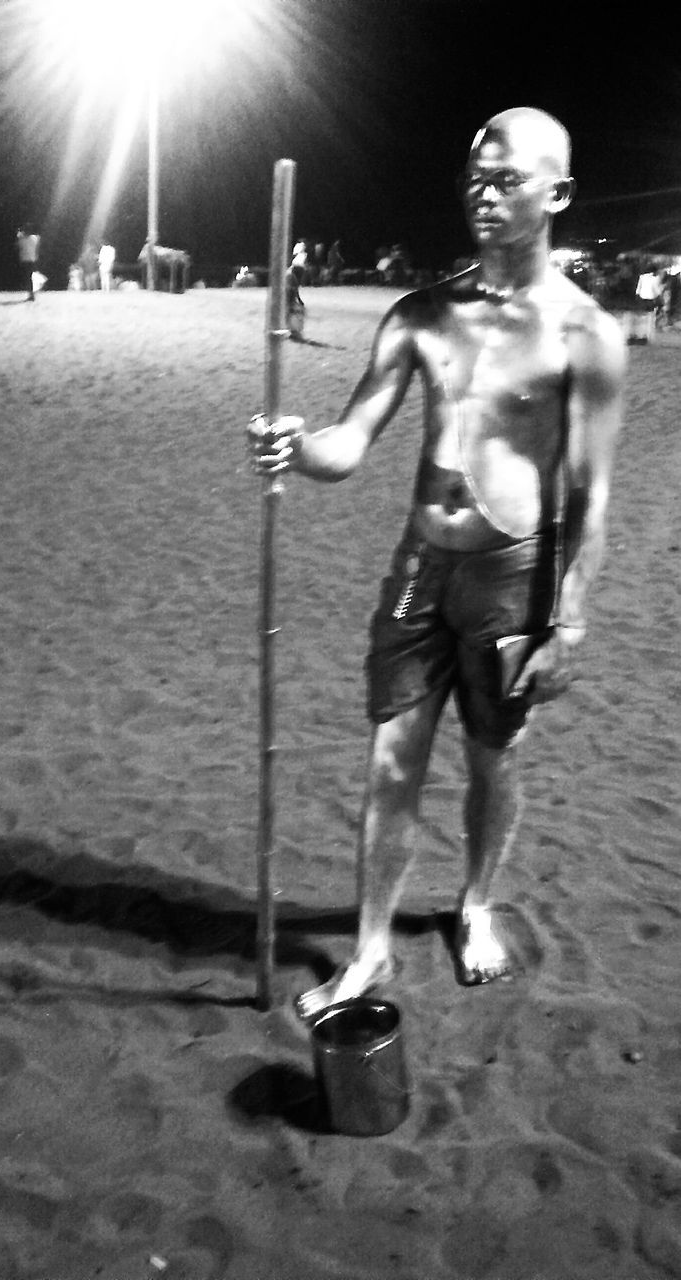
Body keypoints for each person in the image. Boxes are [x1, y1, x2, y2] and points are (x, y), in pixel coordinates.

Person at [248, 107, 625, 1016]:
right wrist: (294, 447)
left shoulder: (585, 335)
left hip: (512, 577)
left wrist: (568, 616)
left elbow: (591, 493)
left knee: (494, 759)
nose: (483, 194)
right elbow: (349, 443)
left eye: (507, 180)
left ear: (557, 194)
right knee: (389, 763)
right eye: (473, 178)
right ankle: (372, 947)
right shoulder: (421, 315)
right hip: (422, 566)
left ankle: (476, 904)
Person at [16, 224, 41, 301]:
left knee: (28, 278)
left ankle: (31, 295)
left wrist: (18, 233)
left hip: (25, 260)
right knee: (32, 277)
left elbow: (18, 245)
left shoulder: (22, 240)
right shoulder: (34, 238)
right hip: (33, 260)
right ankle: (32, 294)